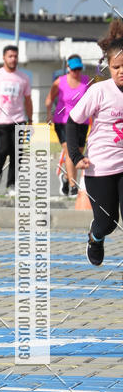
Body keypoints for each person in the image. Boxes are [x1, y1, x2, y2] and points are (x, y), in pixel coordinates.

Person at [67, 20, 123, 266]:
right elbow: (73, 121)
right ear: (109, 67)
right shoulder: (99, 92)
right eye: (116, 67)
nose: (121, 71)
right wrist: (76, 156)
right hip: (99, 168)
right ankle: (95, 236)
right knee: (107, 222)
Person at [0, 44, 33, 196]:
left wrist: (30, 120)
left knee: (17, 154)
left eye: (15, 56)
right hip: (0, 121)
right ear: (4, 57)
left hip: (19, 120)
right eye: (10, 56)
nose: (13, 59)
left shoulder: (23, 77)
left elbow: (28, 100)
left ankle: (11, 185)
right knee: (2, 150)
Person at [46, 54, 90, 197]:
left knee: (78, 152)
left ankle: (66, 178)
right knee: (70, 152)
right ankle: (73, 186)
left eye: (79, 69)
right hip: (63, 121)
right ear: (68, 68)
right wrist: (49, 114)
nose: (77, 72)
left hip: (81, 121)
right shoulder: (60, 82)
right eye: (74, 69)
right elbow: (49, 99)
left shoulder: (86, 82)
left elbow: (92, 102)